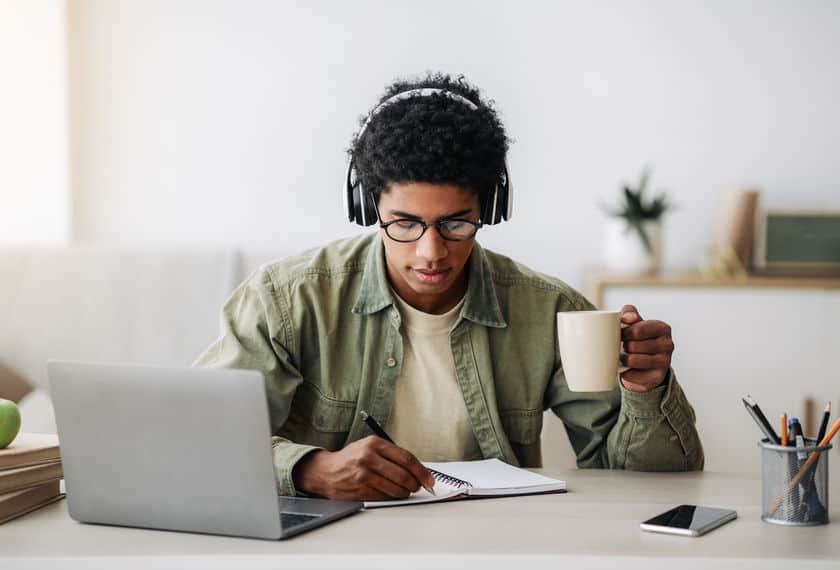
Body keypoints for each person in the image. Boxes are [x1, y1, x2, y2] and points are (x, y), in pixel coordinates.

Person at [194, 72, 703, 501]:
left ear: (488, 208)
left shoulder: (549, 310)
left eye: (456, 224)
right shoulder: (289, 300)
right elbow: (199, 439)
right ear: (371, 208)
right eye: (405, 223)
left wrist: (646, 388)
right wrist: (310, 470)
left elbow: (650, 482)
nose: (431, 252)